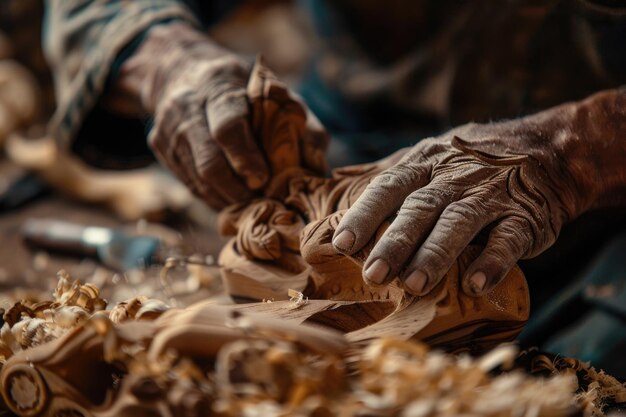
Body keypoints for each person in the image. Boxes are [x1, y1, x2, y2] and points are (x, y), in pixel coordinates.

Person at [7, 1, 626, 370]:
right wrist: (167, 61)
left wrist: (573, 154)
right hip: (357, 154)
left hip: (606, 207)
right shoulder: (305, 225)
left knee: (582, 373)